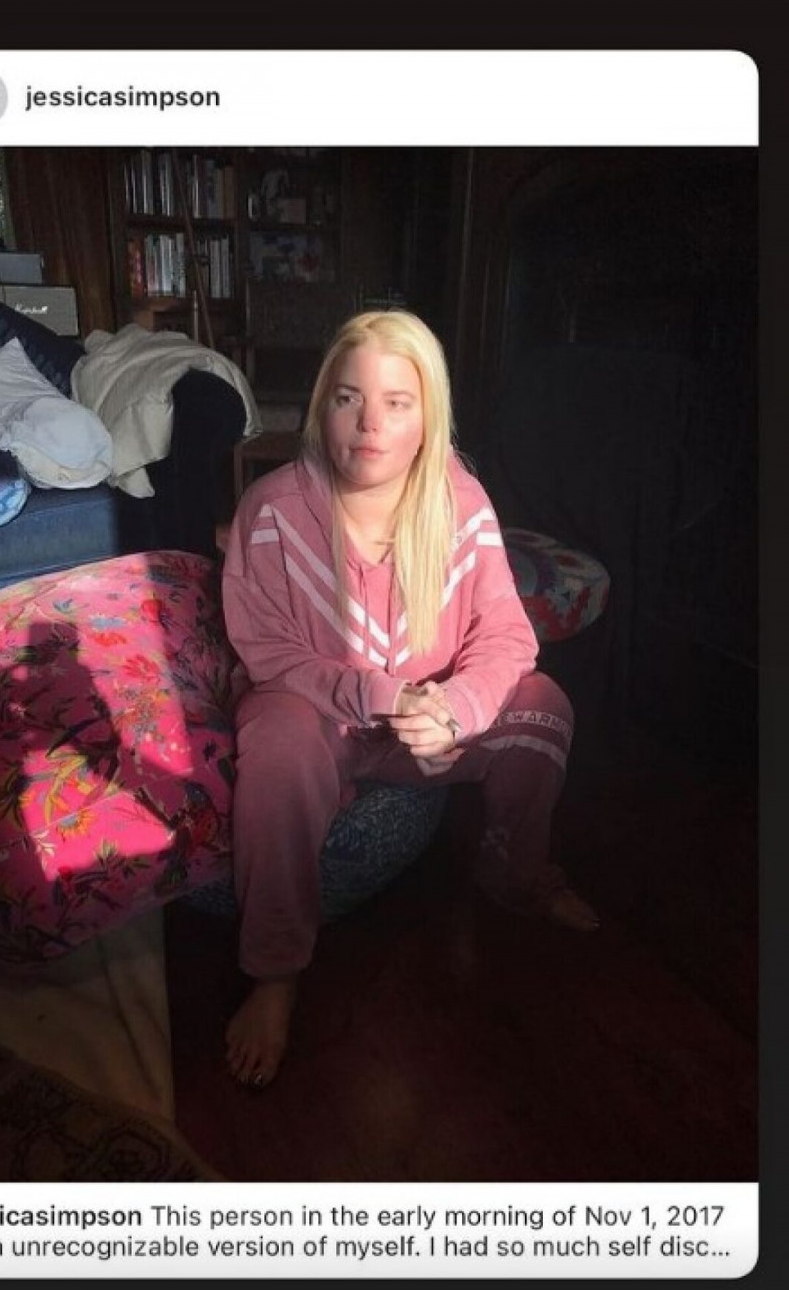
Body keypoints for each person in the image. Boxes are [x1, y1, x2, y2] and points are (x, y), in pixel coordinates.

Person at [222, 309, 599, 1088]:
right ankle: (276, 972)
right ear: (321, 407)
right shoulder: (272, 509)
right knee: (278, 742)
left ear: (429, 417)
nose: (369, 423)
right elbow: (267, 651)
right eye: (348, 398)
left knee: (545, 706)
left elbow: (507, 635)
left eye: (397, 402)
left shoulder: (460, 501)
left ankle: (516, 871)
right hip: (322, 722)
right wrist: (374, 692)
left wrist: (457, 706)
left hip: (430, 726)